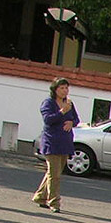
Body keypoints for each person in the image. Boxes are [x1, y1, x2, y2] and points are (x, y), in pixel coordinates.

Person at [32, 77, 76, 214]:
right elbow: (48, 120)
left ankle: (40, 196)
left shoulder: (69, 103)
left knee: (54, 172)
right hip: (51, 142)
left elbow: (76, 118)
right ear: (55, 89)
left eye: (66, 88)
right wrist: (62, 112)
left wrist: (72, 122)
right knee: (54, 175)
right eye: (62, 88)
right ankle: (54, 202)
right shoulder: (48, 103)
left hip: (65, 142)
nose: (65, 91)